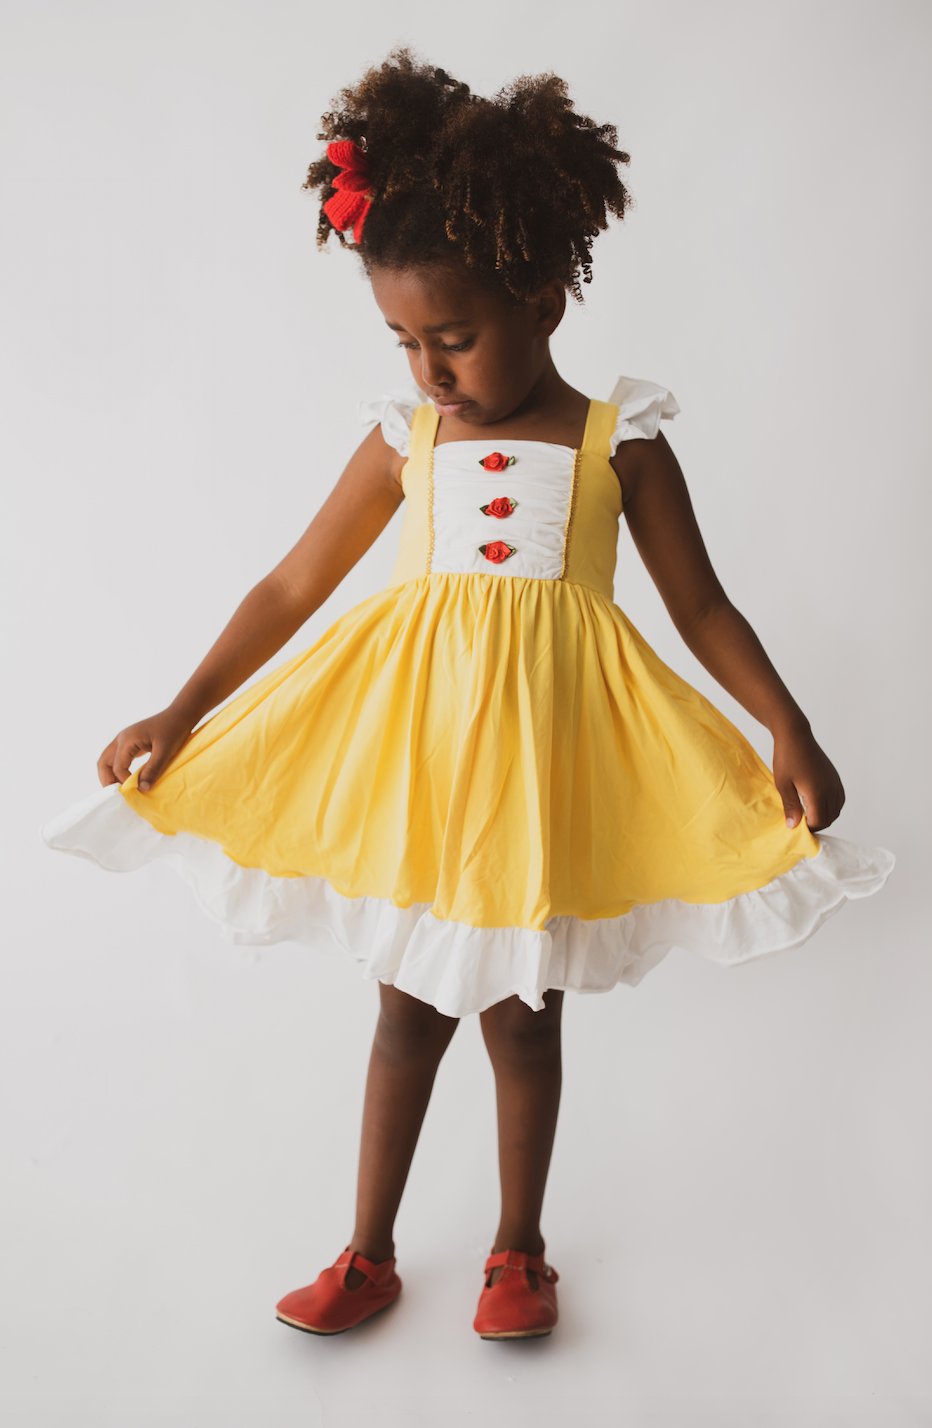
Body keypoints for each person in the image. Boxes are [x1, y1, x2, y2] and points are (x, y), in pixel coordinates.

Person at [43, 50, 893, 1342]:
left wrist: (788, 723)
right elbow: (291, 587)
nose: (432, 369)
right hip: (422, 782)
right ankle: (369, 1251)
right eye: (405, 340)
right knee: (403, 1019)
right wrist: (183, 709)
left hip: (540, 790)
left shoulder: (623, 443)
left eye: (455, 337)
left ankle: (518, 1253)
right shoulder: (407, 442)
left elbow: (702, 608)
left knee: (524, 1027)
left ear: (545, 295)